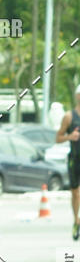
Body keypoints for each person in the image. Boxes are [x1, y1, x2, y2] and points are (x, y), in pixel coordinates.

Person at [55, 84, 80, 240]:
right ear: (78, 96)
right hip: (75, 158)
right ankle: (76, 220)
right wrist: (70, 137)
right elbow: (58, 138)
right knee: (76, 193)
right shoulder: (69, 117)